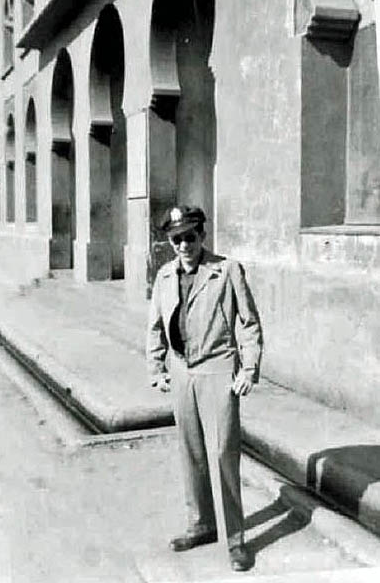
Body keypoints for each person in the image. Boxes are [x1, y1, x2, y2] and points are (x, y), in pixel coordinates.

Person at [146, 205, 262, 572]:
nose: (184, 245)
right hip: (182, 371)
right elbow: (155, 325)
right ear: (170, 242)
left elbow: (249, 323)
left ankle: (235, 540)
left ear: (203, 235)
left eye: (190, 236)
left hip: (218, 369)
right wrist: (157, 367)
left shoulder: (226, 271)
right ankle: (201, 524)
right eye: (176, 239)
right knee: (191, 451)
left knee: (224, 452)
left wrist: (249, 369)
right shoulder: (165, 275)